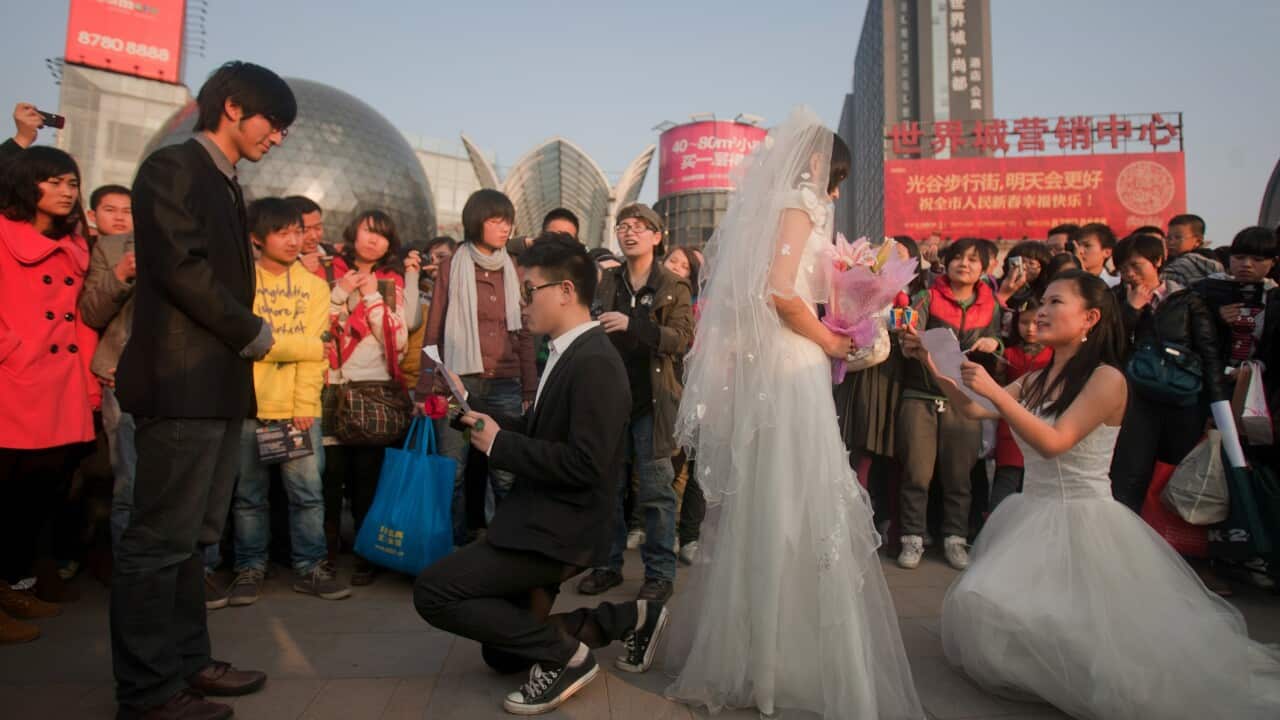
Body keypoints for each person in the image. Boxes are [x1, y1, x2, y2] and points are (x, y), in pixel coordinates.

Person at [902, 270, 1280, 719]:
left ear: (1090, 318)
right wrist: (935, 365)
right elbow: (973, 406)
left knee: (1093, 631)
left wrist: (994, 394)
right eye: (1042, 302)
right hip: (1033, 509)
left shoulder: (1107, 379)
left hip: (1084, 515)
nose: (1041, 311)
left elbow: (1055, 440)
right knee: (1005, 605)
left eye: (1056, 302)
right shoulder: (1041, 376)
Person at [664, 108, 923, 719]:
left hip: (787, 358)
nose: (834, 190)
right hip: (793, 359)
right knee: (794, 495)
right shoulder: (802, 202)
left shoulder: (784, 207)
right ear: (815, 165)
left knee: (780, 498)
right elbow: (779, 291)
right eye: (835, 176)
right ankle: (784, 664)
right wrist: (832, 341)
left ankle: (767, 666)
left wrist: (843, 317)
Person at [415, 235, 671, 715]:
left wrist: (502, 445)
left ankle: (567, 658)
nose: (521, 302)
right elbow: (542, 433)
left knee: (433, 590)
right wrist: (484, 421)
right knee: (502, 652)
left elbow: (586, 465)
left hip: (558, 530)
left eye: (529, 290)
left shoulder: (595, 361)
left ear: (566, 291)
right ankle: (632, 616)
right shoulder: (564, 350)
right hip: (542, 517)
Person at [110, 61, 295, 718]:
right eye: (275, 123)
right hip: (180, 383)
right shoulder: (173, 169)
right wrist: (249, 327)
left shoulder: (226, 183)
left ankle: (189, 663)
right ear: (235, 106)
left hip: (217, 388)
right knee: (158, 542)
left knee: (191, 541)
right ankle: (149, 691)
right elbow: (181, 269)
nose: (277, 138)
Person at [225, 198, 350, 606]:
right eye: (283, 232)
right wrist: (300, 347)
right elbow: (242, 341)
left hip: (298, 410)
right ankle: (249, 567)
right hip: (247, 404)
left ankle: (310, 567)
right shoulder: (241, 282)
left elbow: (317, 354)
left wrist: (303, 405)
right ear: (257, 238)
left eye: (298, 231)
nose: (295, 239)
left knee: (308, 495)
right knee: (248, 497)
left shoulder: (315, 287)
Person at [0, 146, 99, 645]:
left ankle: (14, 585)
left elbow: (79, 319)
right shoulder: (2, 234)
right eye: (53, 181)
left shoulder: (76, 245)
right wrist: (10, 349)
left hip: (60, 383)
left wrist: (87, 381)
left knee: (38, 494)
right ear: (26, 184)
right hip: (12, 382)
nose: (65, 192)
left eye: (71, 183)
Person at [575, 204, 693, 604]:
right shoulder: (607, 281)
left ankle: (659, 573)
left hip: (653, 402)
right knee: (608, 487)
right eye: (623, 227)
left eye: (640, 227)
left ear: (658, 237)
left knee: (658, 493)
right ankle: (607, 566)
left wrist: (633, 325)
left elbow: (681, 339)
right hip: (610, 401)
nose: (630, 233)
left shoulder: (674, 286)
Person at [416, 189, 536, 547]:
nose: (504, 228)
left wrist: (529, 390)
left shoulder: (513, 269)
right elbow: (434, 328)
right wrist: (425, 389)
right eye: (496, 220)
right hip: (457, 383)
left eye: (507, 221)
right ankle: (451, 545)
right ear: (476, 221)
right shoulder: (452, 266)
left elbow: (525, 334)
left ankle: (507, 545)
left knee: (504, 473)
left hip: (505, 385)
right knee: (452, 468)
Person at [895, 237, 1003, 571]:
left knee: (960, 476)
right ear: (947, 262)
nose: (964, 264)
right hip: (921, 394)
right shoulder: (925, 296)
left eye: (973, 260)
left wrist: (994, 342)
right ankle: (912, 537)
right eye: (958, 257)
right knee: (917, 472)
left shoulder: (992, 306)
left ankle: (955, 539)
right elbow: (905, 334)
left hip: (964, 400)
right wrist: (914, 341)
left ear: (984, 269)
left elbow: (1000, 345)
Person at [322, 209, 414, 586]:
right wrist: (341, 292)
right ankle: (323, 555)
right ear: (353, 232)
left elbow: (400, 339)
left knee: (367, 481)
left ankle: (365, 553)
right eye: (367, 231)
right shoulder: (329, 274)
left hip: (372, 390)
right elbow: (320, 327)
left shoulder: (391, 284)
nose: (374, 240)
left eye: (383, 235)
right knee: (327, 479)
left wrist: (372, 297)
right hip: (330, 387)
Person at [1108, 234, 1226, 515]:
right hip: (1135, 401)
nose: (1129, 274)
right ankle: (1128, 534)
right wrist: (1131, 310)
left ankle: (1170, 539)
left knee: (1177, 471)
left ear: (1158, 261)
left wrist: (1218, 406)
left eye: (1136, 266)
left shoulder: (1187, 300)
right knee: (1130, 473)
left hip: (1183, 400)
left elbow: (1209, 354)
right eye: (1123, 268)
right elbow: (1109, 348)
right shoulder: (1114, 300)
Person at [78, 185, 137, 546]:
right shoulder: (110, 248)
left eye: (127, 210)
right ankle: (125, 567)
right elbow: (92, 312)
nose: (120, 218)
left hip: (175, 378)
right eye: (111, 210)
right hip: (119, 375)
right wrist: (120, 274)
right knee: (126, 479)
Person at [662, 245, 706, 564]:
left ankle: (689, 536)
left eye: (685, 265)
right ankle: (662, 532)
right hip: (668, 389)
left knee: (699, 463)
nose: (677, 267)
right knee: (667, 463)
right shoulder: (655, 298)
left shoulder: (706, 306)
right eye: (672, 261)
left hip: (703, 389)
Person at [989, 298, 1051, 509]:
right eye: (1024, 323)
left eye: (1036, 322)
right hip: (1010, 428)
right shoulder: (1007, 354)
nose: (1031, 329)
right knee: (1006, 483)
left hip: (1044, 426)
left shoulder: (1055, 355)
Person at [1162, 213, 1224, 287]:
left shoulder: (1183, 263)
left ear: (1197, 241)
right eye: (1168, 237)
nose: (1171, 242)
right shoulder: (1215, 262)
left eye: (1178, 237)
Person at [287, 195, 330, 280]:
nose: (314, 236)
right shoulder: (276, 265)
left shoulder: (336, 255)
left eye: (318, 228)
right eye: (305, 230)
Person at [1071, 222, 1120, 287]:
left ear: (1107, 252)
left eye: (1087, 246)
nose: (1080, 251)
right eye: (1078, 246)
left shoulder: (1116, 284)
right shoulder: (1067, 283)